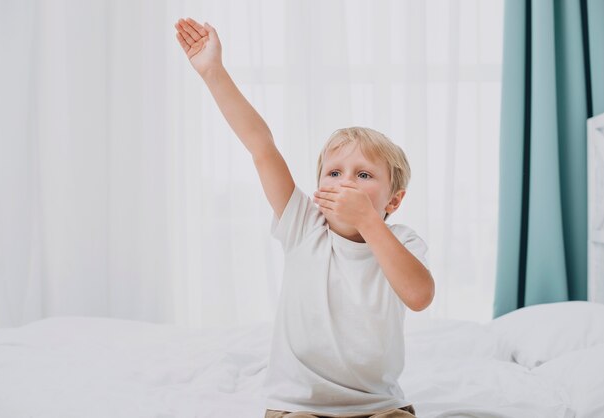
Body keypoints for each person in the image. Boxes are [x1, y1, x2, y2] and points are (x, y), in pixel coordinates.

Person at [174, 17, 435, 418]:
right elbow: (260, 145)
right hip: (297, 406)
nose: (345, 181)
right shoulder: (303, 224)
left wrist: (369, 222)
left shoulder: (402, 241)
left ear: (394, 201)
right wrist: (213, 72)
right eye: (334, 173)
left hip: (378, 405)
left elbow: (419, 296)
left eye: (363, 175)